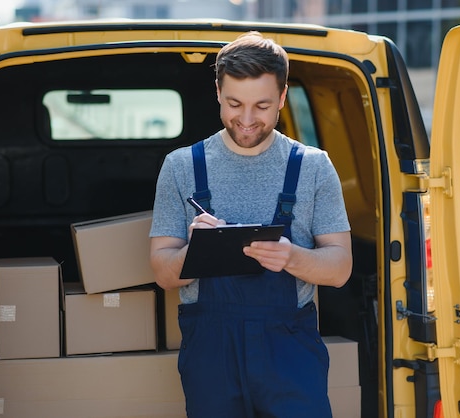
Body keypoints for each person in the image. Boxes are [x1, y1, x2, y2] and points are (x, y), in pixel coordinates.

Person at [149, 31, 352, 418]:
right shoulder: (181, 167)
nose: (245, 120)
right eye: (233, 104)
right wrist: (196, 252)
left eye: (261, 106)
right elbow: (161, 272)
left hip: (289, 348)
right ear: (217, 92)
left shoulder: (312, 167)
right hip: (211, 352)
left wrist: (291, 257)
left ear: (282, 96)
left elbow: (340, 268)